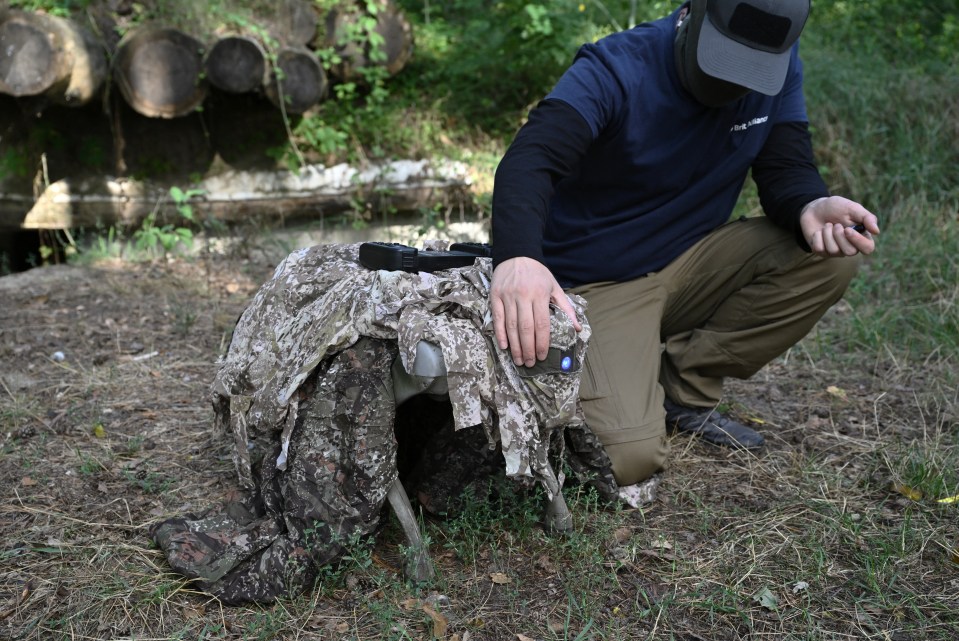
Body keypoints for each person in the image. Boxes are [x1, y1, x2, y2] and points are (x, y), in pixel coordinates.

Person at [488, 0, 881, 487]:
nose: (736, 81)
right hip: (599, 282)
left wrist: (808, 204)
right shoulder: (616, 67)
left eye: (751, 67)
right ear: (691, 13)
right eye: (724, 58)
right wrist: (519, 257)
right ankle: (623, 371)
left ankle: (684, 389)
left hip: (691, 262)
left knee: (826, 257)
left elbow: (785, 166)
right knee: (625, 459)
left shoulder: (779, 61)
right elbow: (530, 161)